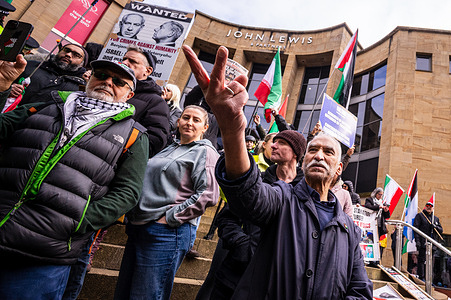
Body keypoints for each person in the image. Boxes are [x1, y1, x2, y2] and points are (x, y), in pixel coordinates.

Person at [182, 44, 372, 299]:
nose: (318, 155)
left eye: (328, 152)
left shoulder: (349, 228)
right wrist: (231, 130)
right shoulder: (282, 198)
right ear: (304, 161)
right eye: (313, 149)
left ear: (339, 169)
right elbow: (247, 191)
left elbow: (359, 289)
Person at [0, 55, 149, 299]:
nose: (108, 82)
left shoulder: (133, 135)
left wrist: (78, 221)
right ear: (89, 77)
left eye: (119, 82)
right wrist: (1, 87)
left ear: (129, 94)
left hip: (44, 254)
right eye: (101, 75)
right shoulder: (47, 106)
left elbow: (128, 193)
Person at [114, 105, 220, 300]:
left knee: (145, 296)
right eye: (185, 117)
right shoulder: (168, 147)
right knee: (124, 292)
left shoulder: (205, 152)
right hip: (139, 226)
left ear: (205, 127)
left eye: (196, 120)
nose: (189, 122)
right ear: (178, 121)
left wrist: (170, 217)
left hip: (166, 233)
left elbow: (209, 194)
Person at [122, 45, 170, 157]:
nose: (124, 63)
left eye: (133, 61)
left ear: (147, 71)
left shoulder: (156, 102)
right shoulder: (110, 88)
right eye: (124, 59)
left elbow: (154, 142)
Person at [9, 43, 88, 106]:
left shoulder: (79, 88)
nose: (68, 55)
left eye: (76, 55)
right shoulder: (30, 65)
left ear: (82, 63)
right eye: (66, 50)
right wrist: (9, 88)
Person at [413, 201, 443, 281]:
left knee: (430, 262)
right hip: (423, 242)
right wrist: (418, 241)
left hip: (432, 243)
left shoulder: (435, 218)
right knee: (422, 260)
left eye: (431, 206)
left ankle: (429, 279)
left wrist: (435, 227)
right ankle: (421, 277)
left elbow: (441, 230)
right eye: (427, 206)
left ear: (433, 208)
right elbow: (416, 229)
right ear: (425, 207)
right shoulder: (420, 216)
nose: (429, 207)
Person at [365, 187, 390, 263]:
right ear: (375, 194)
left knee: (377, 242)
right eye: (379, 194)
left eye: (381, 195)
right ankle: (368, 259)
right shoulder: (370, 200)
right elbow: (368, 207)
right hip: (371, 224)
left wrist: (386, 210)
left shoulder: (383, 202)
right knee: (369, 241)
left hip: (379, 225)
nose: (380, 196)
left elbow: (387, 216)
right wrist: (378, 207)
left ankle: (375, 261)